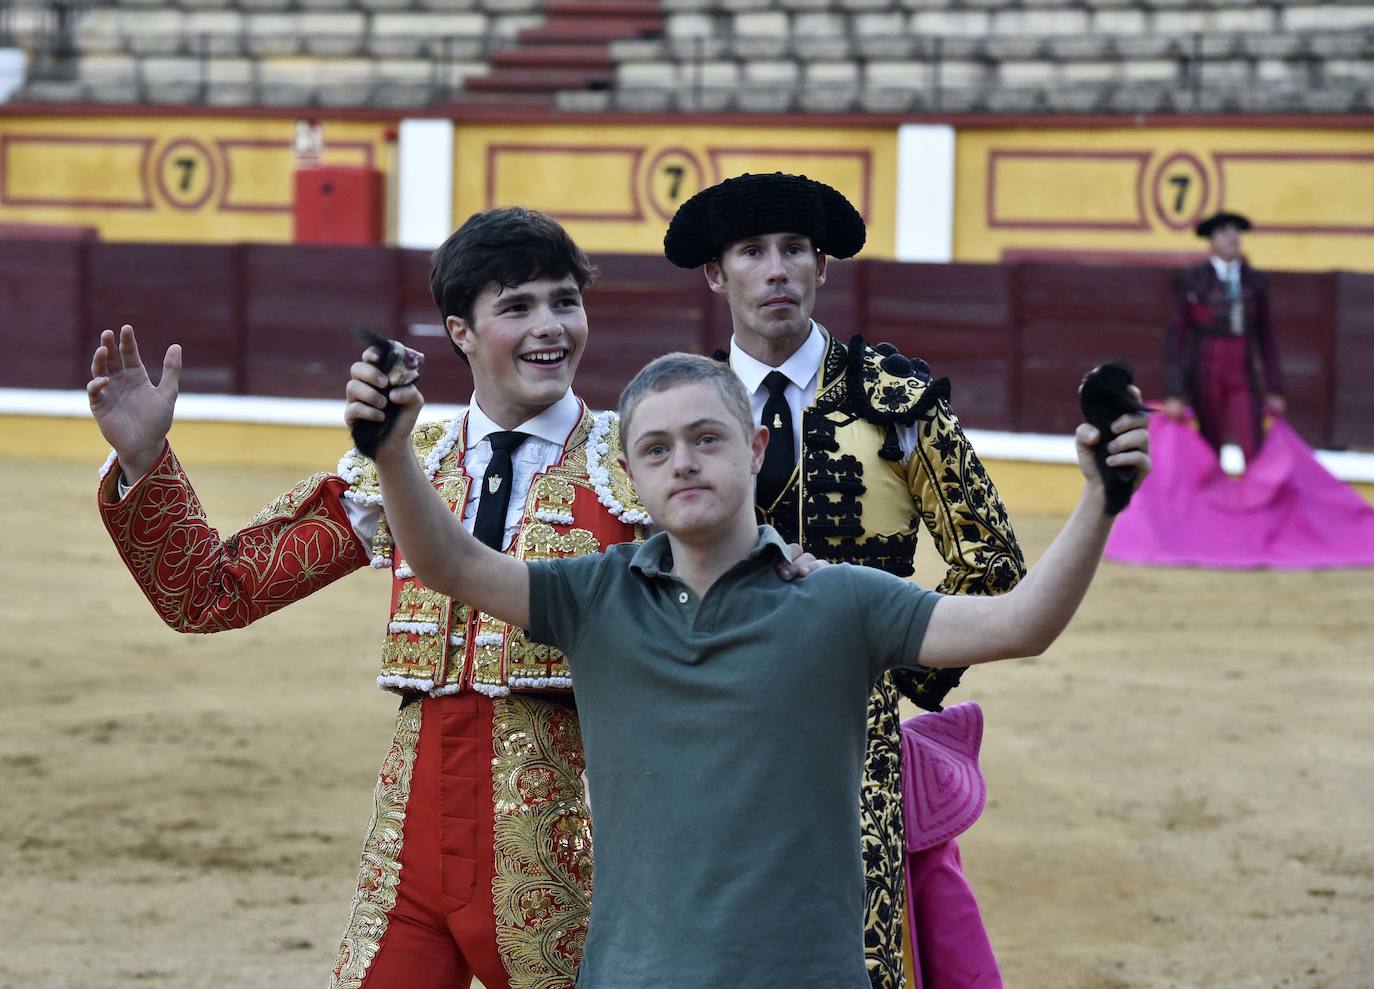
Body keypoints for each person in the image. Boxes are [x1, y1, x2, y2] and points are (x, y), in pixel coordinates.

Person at [347, 349, 1150, 989]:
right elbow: (451, 562)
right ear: (631, 473)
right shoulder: (594, 593)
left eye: (707, 438)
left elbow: (1022, 622)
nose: (683, 462)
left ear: (756, 447)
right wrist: (390, 454)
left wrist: (1099, 503)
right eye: (656, 449)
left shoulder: (841, 601)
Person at [89, 208, 655, 989]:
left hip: (574, 836)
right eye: (517, 306)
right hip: (411, 845)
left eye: (565, 300)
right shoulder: (399, 463)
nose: (550, 327)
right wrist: (145, 459)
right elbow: (213, 591)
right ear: (460, 330)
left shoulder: (638, 465)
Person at [663, 171, 1025, 987]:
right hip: (706, 734)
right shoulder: (677, 409)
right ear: (717, 274)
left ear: (824, 265)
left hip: (853, 744)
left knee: (856, 954)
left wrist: (886, 665)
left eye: (795, 249)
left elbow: (991, 560)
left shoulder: (897, 402)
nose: (778, 269)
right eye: (753, 251)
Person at [1164, 210, 1284, 462]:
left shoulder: (1255, 281)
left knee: (1254, 445)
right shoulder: (1192, 279)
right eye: (1223, 232)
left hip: (1242, 371)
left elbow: (1266, 335)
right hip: (1205, 370)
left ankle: (1255, 501)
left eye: (1235, 231)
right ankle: (1212, 502)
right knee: (1209, 446)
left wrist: (1275, 387)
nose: (1232, 237)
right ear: (1212, 240)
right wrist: (1174, 391)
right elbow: (1176, 335)